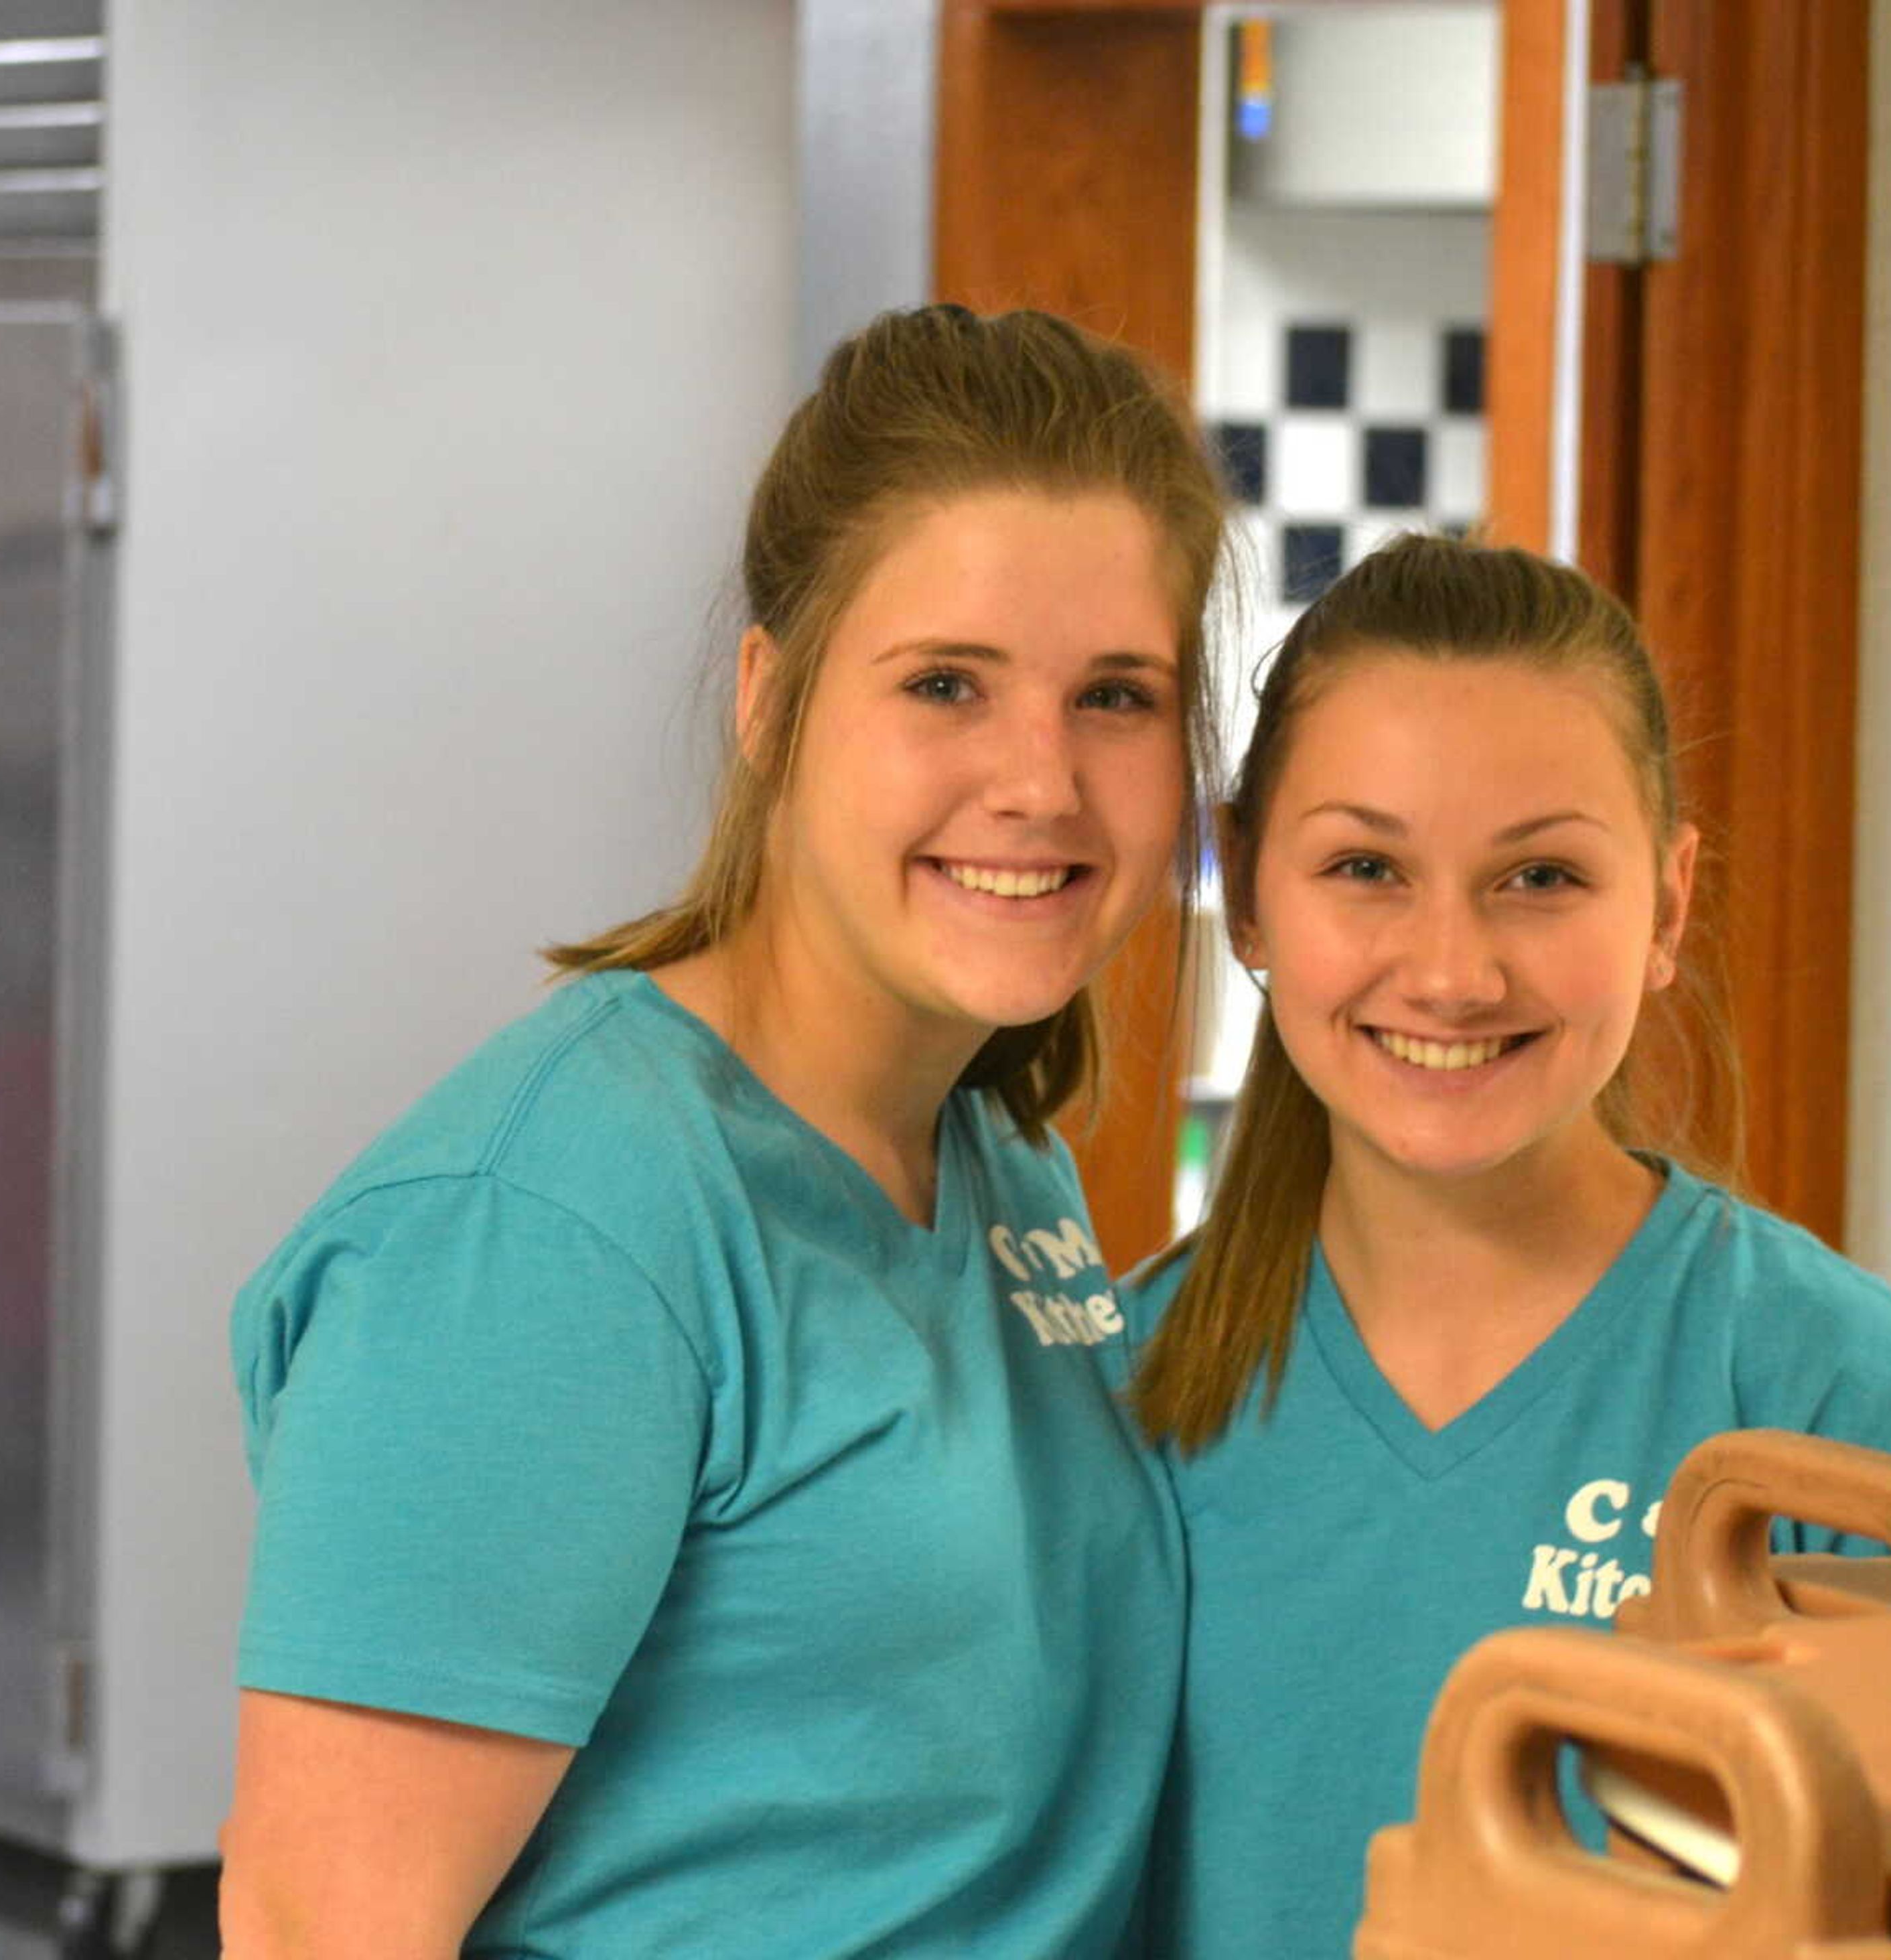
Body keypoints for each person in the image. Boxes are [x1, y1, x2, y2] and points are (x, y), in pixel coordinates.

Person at [220, 305, 1227, 1957]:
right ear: (772, 698)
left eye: (1114, 695)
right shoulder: (557, 1220)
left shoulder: (992, 1155)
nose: (1041, 778)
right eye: (947, 683)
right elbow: (320, 1922)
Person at [1123, 534, 1891, 1957]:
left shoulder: (1853, 1409)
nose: (1452, 971)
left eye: (1539, 878)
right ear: (1245, 888)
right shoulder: (1123, 1396)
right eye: (1366, 864)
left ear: (1666, 904)